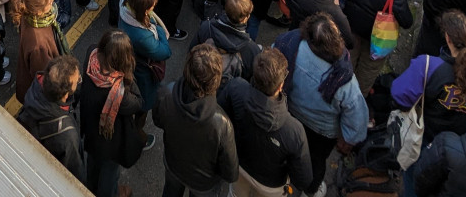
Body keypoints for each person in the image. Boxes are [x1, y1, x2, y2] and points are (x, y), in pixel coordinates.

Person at [274, 14, 367, 197]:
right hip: (322, 133)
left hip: (290, 115)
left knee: (288, 149)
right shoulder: (344, 80)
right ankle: (311, 189)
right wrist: (348, 138)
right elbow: (357, 120)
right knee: (315, 162)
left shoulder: (293, 46)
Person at [391, 9, 466, 197]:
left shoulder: (427, 65)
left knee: (414, 182)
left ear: (447, 38)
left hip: (424, 140)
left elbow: (399, 94)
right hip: (461, 150)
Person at [220, 48, 312, 197]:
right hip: (271, 186)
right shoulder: (294, 131)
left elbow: (220, 119)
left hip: (238, 166)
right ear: (281, 84)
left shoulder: (235, 88)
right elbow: (303, 179)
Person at [153, 43, 239, 197]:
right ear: (216, 79)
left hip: (173, 165)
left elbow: (158, 121)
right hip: (204, 183)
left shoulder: (167, 92)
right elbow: (230, 172)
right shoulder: (222, 124)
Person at [80, 29, 145, 197]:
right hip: (110, 141)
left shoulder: (91, 54)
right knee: (109, 176)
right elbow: (138, 102)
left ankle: (90, 189)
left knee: (93, 167)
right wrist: (128, 76)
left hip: (90, 131)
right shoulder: (119, 93)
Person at [17, 53, 85, 182]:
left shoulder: (36, 88)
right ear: (66, 93)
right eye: (78, 81)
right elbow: (75, 172)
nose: (79, 81)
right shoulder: (67, 135)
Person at [118, 0, 171, 128]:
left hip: (129, 59)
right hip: (142, 72)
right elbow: (165, 52)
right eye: (151, 7)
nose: (153, 9)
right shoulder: (142, 37)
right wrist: (159, 29)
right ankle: (137, 131)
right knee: (144, 103)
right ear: (143, 10)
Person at [11, 0, 69, 104]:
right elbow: (44, 77)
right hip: (39, 96)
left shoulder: (28, 14)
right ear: (39, 12)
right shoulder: (38, 45)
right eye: (49, 1)